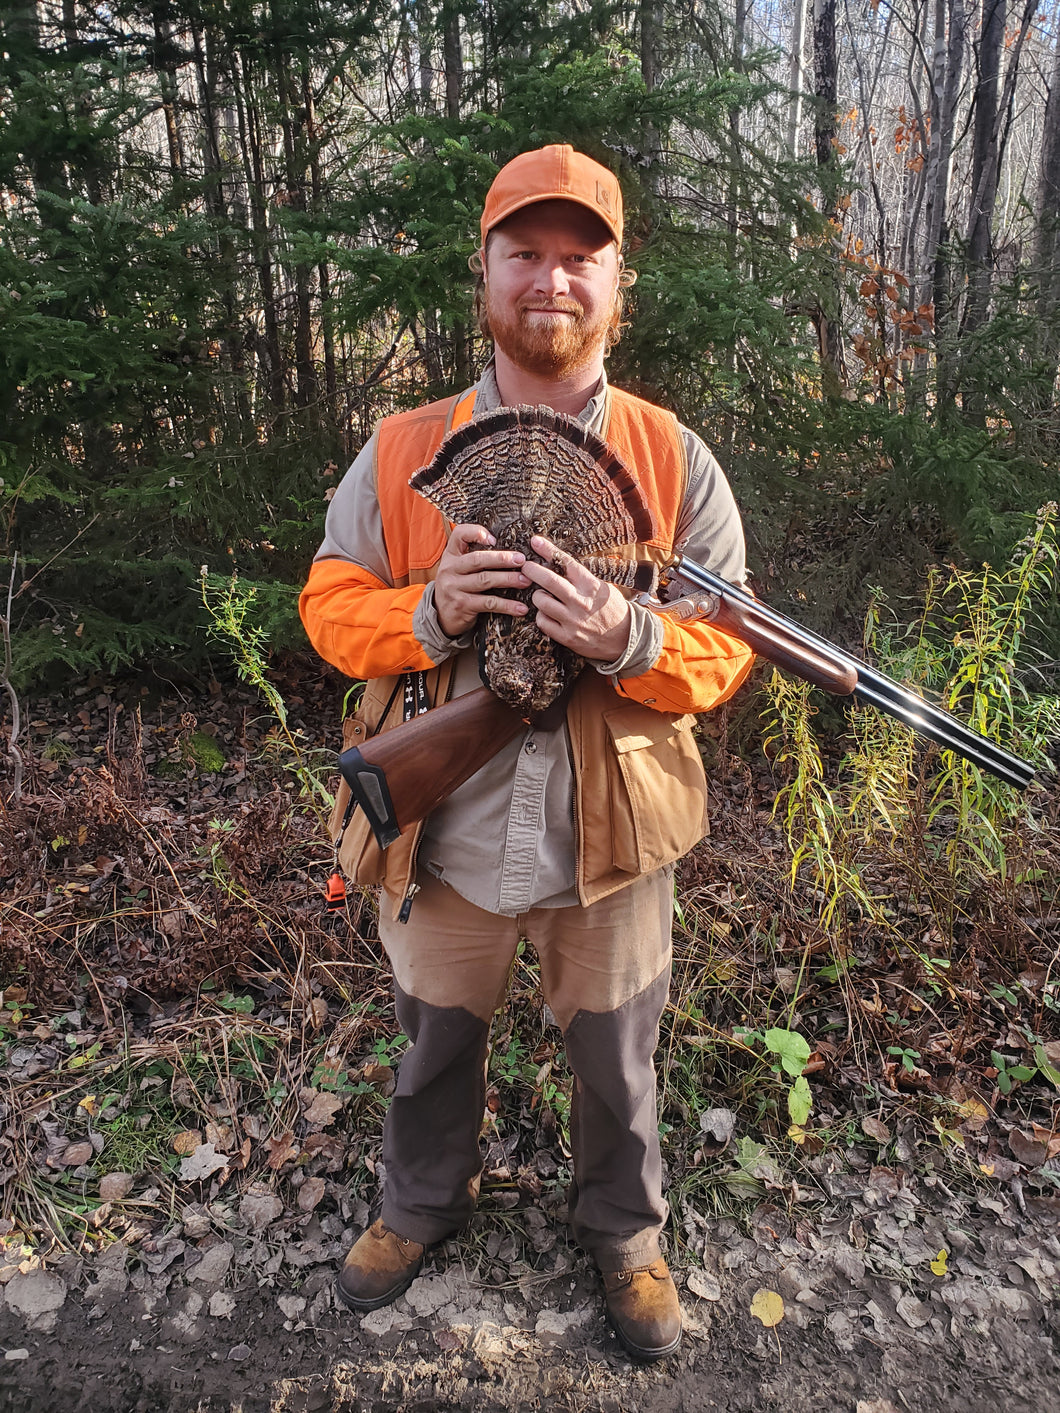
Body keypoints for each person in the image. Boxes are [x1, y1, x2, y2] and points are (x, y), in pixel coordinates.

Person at [299, 145, 755, 1361]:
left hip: (608, 832)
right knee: (434, 1040)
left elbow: (726, 652)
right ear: (486, 273)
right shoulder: (403, 450)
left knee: (618, 1055)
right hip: (443, 824)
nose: (550, 279)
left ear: (619, 285)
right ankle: (418, 1207)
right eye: (525, 254)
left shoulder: (670, 457)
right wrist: (429, 615)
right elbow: (326, 606)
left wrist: (629, 633)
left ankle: (624, 1237)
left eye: (578, 257)